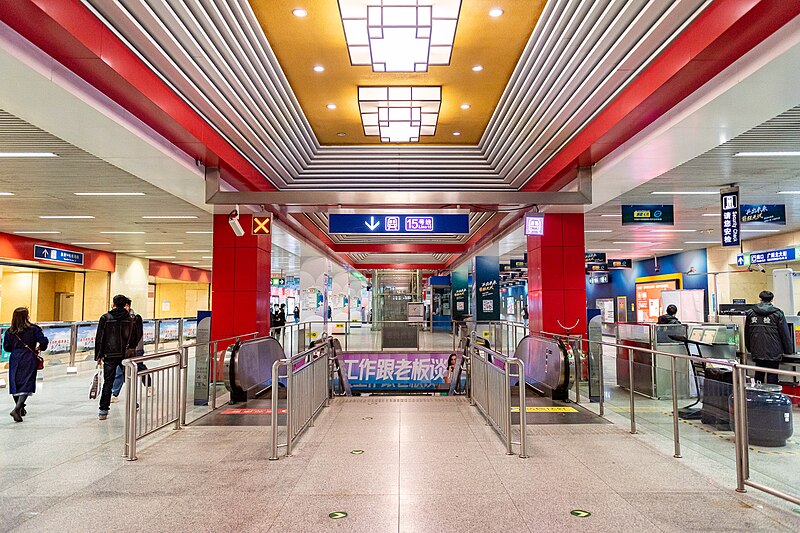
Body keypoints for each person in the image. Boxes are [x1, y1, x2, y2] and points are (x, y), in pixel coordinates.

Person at [95, 294, 143, 420]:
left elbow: (100, 338)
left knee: (108, 382)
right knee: (129, 380)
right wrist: (131, 347)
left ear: (113, 303)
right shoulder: (132, 318)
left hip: (109, 355)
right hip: (125, 355)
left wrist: (98, 355)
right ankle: (133, 404)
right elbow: (136, 336)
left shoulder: (105, 318)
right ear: (125, 304)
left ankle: (103, 410)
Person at [3, 307, 48, 422]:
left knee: (15, 381)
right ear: (26, 316)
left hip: (15, 357)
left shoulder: (9, 331)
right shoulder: (33, 329)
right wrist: (40, 347)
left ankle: (20, 407)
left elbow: (7, 347)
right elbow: (43, 341)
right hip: (29, 356)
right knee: (27, 381)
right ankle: (17, 408)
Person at [745, 290, 792, 385]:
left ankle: (758, 395)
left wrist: (749, 348)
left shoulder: (751, 313)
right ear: (772, 299)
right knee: (772, 375)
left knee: (758, 373)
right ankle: (772, 397)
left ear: (760, 299)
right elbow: (784, 334)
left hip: (757, 350)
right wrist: (788, 350)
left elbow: (747, 333)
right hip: (774, 351)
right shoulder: (778, 313)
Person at [110, 305, 149, 403]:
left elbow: (138, 334)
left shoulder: (135, 317)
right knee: (119, 370)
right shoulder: (117, 317)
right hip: (123, 351)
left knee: (139, 367)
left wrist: (134, 347)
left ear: (127, 306)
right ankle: (115, 393)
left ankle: (148, 385)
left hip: (135, 349)